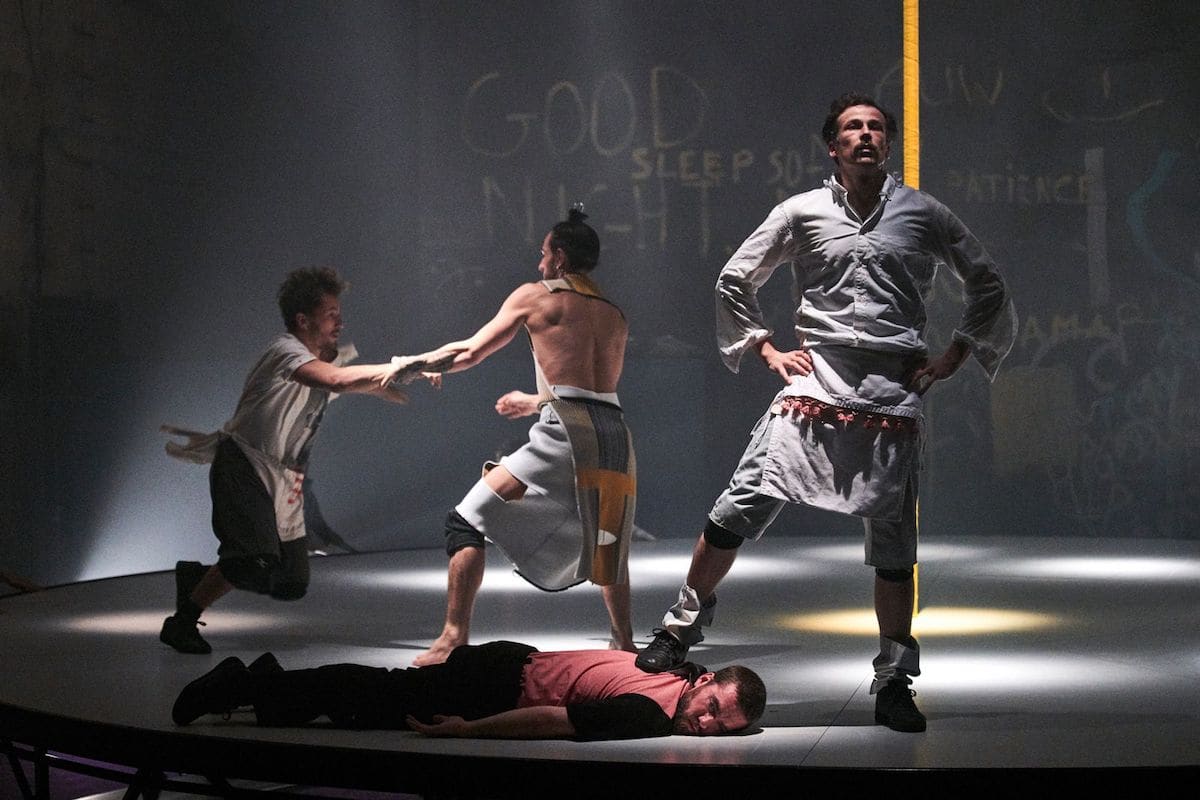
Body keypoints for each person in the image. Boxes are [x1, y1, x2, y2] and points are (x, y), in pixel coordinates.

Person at [634, 93, 1017, 733]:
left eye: (875, 127)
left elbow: (987, 282)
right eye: (852, 128)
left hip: (891, 392)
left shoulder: (923, 213)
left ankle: (894, 680)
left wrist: (955, 352)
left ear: (887, 143)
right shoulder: (802, 211)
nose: (865, 135)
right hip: (817, 382)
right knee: (739, 504)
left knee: (894, 547)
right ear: (833, 146)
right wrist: (763, 346)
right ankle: (679, 627)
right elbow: (735, 277)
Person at [390, 208, 638, 666]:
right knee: (609, 537)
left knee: (465, 521)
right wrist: (534, 400)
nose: (539, 263)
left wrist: (413, 365)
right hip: (614, 433)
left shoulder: (535, 297)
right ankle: (623, 642)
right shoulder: (614, 314)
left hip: (566, 432)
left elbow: (469, 351)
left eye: (543, 254)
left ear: (560, 257)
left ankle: (452, 637)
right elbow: (589, 388)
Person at [159, 267, 447, 654]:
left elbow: (345, 379)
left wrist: (397, 377)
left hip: (284, 476)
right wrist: (404, 365)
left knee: (291, 583)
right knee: (252, 560)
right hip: (245, 463)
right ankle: (182, 622)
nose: (340, 322)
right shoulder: (285, 351)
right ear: (303, 320)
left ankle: (197, 579)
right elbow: (335, 380)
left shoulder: (321, 359)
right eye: (331, 314)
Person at [171, 640, 766, 740]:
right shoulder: (649, 714)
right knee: (365, 698)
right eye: (712, 708)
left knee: (369, 700)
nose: (704, 724)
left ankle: (265, 681)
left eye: (721, 727)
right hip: (495, 686)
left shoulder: (675, 667)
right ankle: (242, 683)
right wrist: (467, 730)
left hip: (507, 661)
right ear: (705, 683)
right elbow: (553, 720)